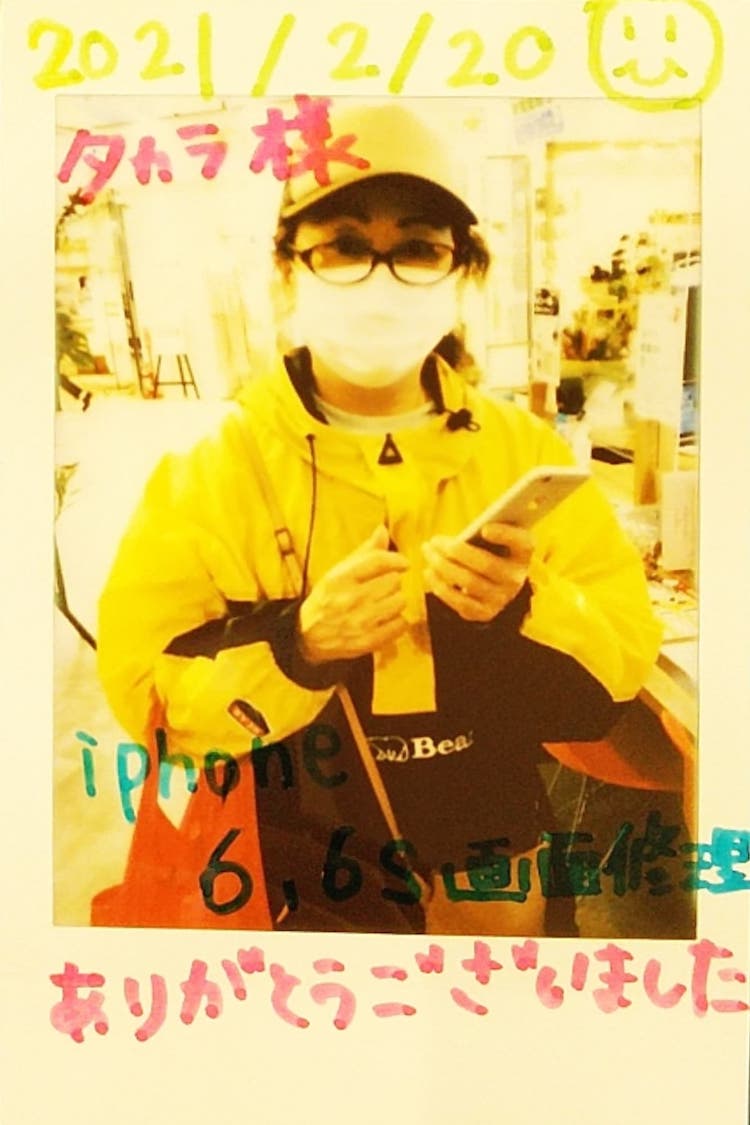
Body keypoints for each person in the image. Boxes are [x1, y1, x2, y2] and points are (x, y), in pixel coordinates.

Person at [95, 101, 662, 935]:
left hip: (498, 864)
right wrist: (295, 644)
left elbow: (613, 679)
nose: (381, 278)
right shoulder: (213, 471)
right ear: (288, 270)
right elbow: (149, 706)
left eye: (420, 249)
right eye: (346, 245)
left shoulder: (522, 452)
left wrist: (526, 607)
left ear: (464, 273)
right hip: (297, 878)